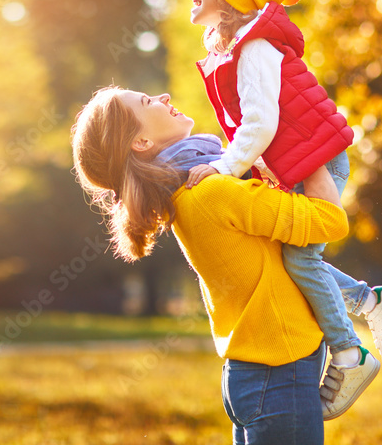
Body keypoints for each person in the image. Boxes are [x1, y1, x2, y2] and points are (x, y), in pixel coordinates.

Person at [185, 0, 382, 419]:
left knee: (301, 262)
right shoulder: (240, 46)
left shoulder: (255, 45)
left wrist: (224, 168)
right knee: (294, 260)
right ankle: (372, 301)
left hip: (316, 165)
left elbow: (261, 124)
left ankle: (349, 355)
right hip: (301, 165)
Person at [72, 86, 349, 444]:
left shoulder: (186, 193)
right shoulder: (210, 192)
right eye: (147, 102)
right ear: (140, 142)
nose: (165, 97)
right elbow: (329, 220)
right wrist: (310, 154)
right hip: (280, 374)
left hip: (255, 375)